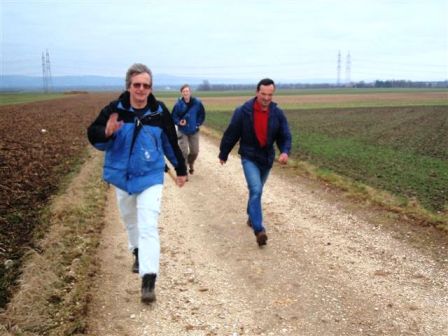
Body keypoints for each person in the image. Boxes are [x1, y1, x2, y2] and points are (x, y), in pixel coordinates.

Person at [87, 63, 187, 304]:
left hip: (151, 175)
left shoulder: (160, 112)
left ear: (151, 88)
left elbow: (170, 143)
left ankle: (148, 279)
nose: (141, 89)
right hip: (122, 177)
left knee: (148, 224)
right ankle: (137, 252)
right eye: (137, 85)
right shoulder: (115, 110)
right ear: (129, 87)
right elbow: (94, 134)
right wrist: (107, 133)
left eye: (146, 85)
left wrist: (180, 168)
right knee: (130, 221)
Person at [218, 78, 292, 247]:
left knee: (256, 190)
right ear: (257, 92)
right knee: (256, 189)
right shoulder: (243, 111)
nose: (266, 98)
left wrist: (285, 151)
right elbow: (232, 133)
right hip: (249, 156)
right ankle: (259, 230)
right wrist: (224, 153)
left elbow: (285, 135)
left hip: (266, 158)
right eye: (263, 94)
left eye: (270, 95)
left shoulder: (277, 113)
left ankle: (252, 216)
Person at [171, 84, 206, 176]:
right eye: (184, 91)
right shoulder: (178, 104)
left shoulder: (197, 103)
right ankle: (184, 172)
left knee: (195, 151)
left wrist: (197, 124)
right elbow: (173, 116)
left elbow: (202, 115)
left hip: (194, 130)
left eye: (187, 91)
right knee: (184, 152)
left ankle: (190, 163)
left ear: (190, 92)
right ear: (181, 93)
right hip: (182, 131)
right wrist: (179, 122)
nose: (186, 93)